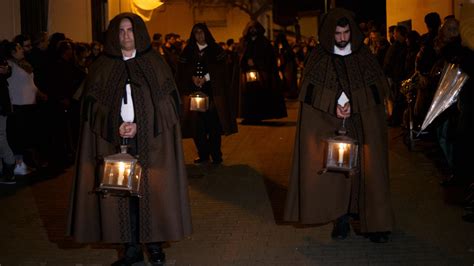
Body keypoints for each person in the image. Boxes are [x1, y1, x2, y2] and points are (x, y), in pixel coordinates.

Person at [67, 13, 192, 265]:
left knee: (152, 193)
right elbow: (90, 105)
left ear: (139, 34)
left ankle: (155, 247)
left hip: (151, 142)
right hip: (115, 141)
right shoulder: (102, 66)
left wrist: (140, 126)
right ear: (114, 35)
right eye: (121, 31)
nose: (126, 35)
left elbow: (168, 103)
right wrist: (116, 125)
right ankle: (131, 249)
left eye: (130, 30)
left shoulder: (155, 63)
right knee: (122, 195)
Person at [284, 8, 394, 243]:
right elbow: (309, 92)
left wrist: (355, 104)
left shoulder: (363, 55)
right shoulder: (318, 56)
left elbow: (378, 89)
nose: (343, 38)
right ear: (329, 34)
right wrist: (333, 104)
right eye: (338, 33)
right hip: (330, 124)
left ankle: (375, 224)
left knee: (367, 173)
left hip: (362, 123)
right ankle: (340, 220)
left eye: (346, 32)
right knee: (338, 176)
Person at [176, 23, 237, 165]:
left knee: (214, 125)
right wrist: (192, 77)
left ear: (206, 33)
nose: (199, 35)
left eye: (202, 32)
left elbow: (222, 69)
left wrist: (206, 78)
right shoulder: (188, 50)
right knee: (197, 126)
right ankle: (203, 154)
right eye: (196, 33)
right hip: (194, 94)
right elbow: (182, 70)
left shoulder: (216, 49)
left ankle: (216, 155)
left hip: (213, 94)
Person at [239, 20, 287, 124]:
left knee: (259, 95)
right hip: (246, 74)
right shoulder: (245, 42)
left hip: (261, 74)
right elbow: (240, 55)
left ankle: (258, 116)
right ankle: (248, 116)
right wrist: (246, 61)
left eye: (254, 28)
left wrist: (255, 62)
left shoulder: (264, 42)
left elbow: (269, 58)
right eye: (251, 29)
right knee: (248, 96)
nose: (253, 30)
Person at [0, 41, 16, 184]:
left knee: (1, 137)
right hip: (3, 104)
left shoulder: (3, 61)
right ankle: (8, 167)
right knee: (1, 136)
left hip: (1, 105)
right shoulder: (3, 61)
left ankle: (9, 167)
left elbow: (7, 72)